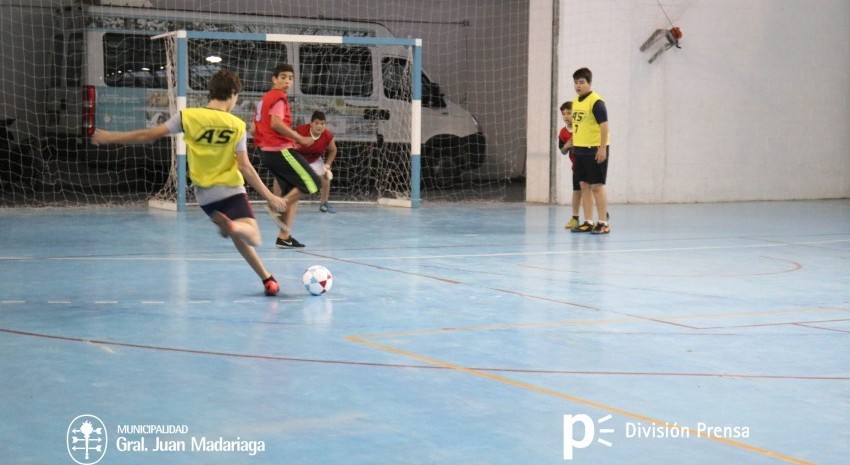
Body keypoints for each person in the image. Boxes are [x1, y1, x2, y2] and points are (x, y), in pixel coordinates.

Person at [91, 69, 287, 296]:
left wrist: (110, 137)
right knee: (252, 234)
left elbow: (150, 135)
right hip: (230, 190)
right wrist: (270, 196)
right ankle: (233, 227)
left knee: (239, 236)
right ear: (233, 94)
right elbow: (245, 167)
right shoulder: (237, 125)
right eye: (237, 97)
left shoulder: (188, 116)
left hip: (205, 197)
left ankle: (267, 278)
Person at [253, 63, 322, 248]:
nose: (287, 81)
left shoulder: (263, 99)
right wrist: (299, 137)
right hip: (280, 151)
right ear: (274, 79)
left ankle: (284, 237)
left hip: (267, 153)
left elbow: (256, 127)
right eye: (283, 77)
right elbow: (276, 123)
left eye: (290, 78)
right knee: (314, 182)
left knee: (293, 191)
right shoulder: (278, 98)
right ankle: (276, 205)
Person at [570, 67, 610, 234]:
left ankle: (603, 223)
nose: (578, 86)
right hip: (580, 150)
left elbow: (604, 125)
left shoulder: (596, 102)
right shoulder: (576, 101)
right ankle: (588, 221)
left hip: (594, 149)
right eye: (576, 82)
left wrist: (602, 148)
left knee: (597, 186)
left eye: (582, 82)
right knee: (584, 185)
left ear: (589, 83)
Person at [295, 111, 338, 213]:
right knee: (280, 175)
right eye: (317, 123)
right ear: (311, 123)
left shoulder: (327, 135)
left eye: (322, 123)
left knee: (326, 176)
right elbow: (288, 144)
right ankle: (277, 202)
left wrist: (327, 165)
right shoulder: (300, 131)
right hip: (297, 158)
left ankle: (324, 203)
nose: (319, 126)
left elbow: (333, 150)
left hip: (314, 159)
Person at [558, 100, 588, 230]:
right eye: (563, 113)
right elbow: (562, 151)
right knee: (576, 191)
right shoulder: (563, 133)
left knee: (591, 190)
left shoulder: (581, 127)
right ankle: (575, 218)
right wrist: (567, 146)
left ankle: (601, 215)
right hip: (576, 166)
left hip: (588, 164)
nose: (566, 116)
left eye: (569, 113)